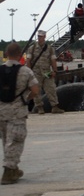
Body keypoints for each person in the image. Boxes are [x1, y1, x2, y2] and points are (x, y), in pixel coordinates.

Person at [1, 42, 39, 185]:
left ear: (6, 54)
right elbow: (35, 90)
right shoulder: (25, 71)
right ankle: (9, 171)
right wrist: (25, 99)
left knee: (6, 141)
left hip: (1, 112)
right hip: (17, 112)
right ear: (20, 55)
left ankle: (13, 168)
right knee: (15, 141)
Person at [23, 30, 64, 114]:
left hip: (47, 72)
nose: (39, 38)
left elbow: (53, 60)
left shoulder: (49, 48)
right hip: (36, 73)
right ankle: (40, 108)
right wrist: (30, 72)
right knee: (36, 91)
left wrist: (55, 70)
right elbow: (28, 60)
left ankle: (54, 107)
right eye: (38, 36)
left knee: (51, 88)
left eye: (41, 36)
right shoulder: (32, 48)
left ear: (44, 37)